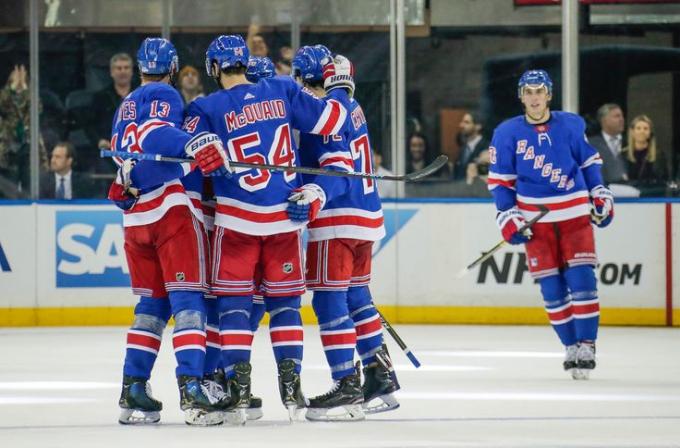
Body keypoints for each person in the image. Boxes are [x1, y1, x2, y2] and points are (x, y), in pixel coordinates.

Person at [181, 34, 354, 424]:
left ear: (213, 68)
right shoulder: (281, 88)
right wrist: (341, 87)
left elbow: (183, 149)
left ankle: (238, 389)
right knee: (286, 306)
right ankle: (291, 389)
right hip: (283, 220)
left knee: (233, 307)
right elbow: (334, 118)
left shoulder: (205, 107)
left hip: (236, 221)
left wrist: (197, 141)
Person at [107, 37, 232, 426]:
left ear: (140, 67)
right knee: (189, 302)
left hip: (135, 219)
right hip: (168, 213)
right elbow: (156, 136)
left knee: (151, 307)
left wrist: (128, 179)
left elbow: (129, 156)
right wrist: (193, 143)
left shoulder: (123, 106)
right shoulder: (164, 93)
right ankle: (192, 389)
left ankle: (134, 388)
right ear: (173, 67)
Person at [292, 45, 401, 421]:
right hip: (367, 213)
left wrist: (314, 191)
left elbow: (334, 165)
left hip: (336, 216)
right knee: (358, 296)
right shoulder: (350, 106)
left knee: (328, 301)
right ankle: (379, 375)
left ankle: (347, 387)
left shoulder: (319, 112)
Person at [487, 70, 613, 381]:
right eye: (528, 92)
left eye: (539, 91)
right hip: (536, 223)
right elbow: (501, 183)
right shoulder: (505, 133)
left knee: (582, 281)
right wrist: (508, 216)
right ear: (521, 96)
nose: (534, 97)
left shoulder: (571, 124)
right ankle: (570, 346)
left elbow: (589, 162)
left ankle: (587, 345)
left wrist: (599, 190)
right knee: (552, 290)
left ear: (549, 95)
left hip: (573, 216)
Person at [0, 64, 48, 194]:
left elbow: (37, 110)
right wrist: (13, 88)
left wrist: (25, 89)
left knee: (29, 188)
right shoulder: (5, 95)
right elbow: (2, 106)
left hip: (28, 147)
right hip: (8, 150)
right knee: (9, 189)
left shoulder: (31, 96)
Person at [90, 53, 135, 151]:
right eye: (119, 68)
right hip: (109, 150)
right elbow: (91, 126)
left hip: (136, 150)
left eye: (126, 68)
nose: (123, 71)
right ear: (111, 72)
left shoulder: (142, 95)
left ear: (131, 71)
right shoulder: (100, 97)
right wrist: (99, 141)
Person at [624, 114, 668, 189]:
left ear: (650, 132)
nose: (642, 131)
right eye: (638, 128)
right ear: (632, 131)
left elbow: (664, 180)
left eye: (646, 129)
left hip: (652, 196)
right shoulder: (623, 154)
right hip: (629, 197)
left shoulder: (659, 155)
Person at [588, 103, 628, 185]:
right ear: (604, 120)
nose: (622, 119)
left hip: (632, 192)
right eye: (617, 116)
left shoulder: (630, 142)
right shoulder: (590, 144)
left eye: (622, 116)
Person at [452, 111, 489, 180]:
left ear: (478, 126)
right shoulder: (462, 149)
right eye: (462, 122)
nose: (461, 125)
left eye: (466, 122)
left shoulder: (487, 148)